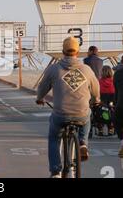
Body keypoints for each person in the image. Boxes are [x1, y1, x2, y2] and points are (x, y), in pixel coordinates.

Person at [36, 37, 100, 178]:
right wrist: (96, 100)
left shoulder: (54, 69)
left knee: (53, 138)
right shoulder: (86, 69)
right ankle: (83, 142)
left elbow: (42, 87)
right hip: (81, 113)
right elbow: (96, 89)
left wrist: (39, 98)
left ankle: (55, 171)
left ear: (63, 51)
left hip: (60, 114)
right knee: (87, 116)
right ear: (78, 51)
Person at [98, 65, 116, 136]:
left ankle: (100, 128)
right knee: (112, 110)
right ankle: (111, 128)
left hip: (102, 102)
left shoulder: (99, 81)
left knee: (98, 110)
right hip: (111, 102)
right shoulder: (114, 81)